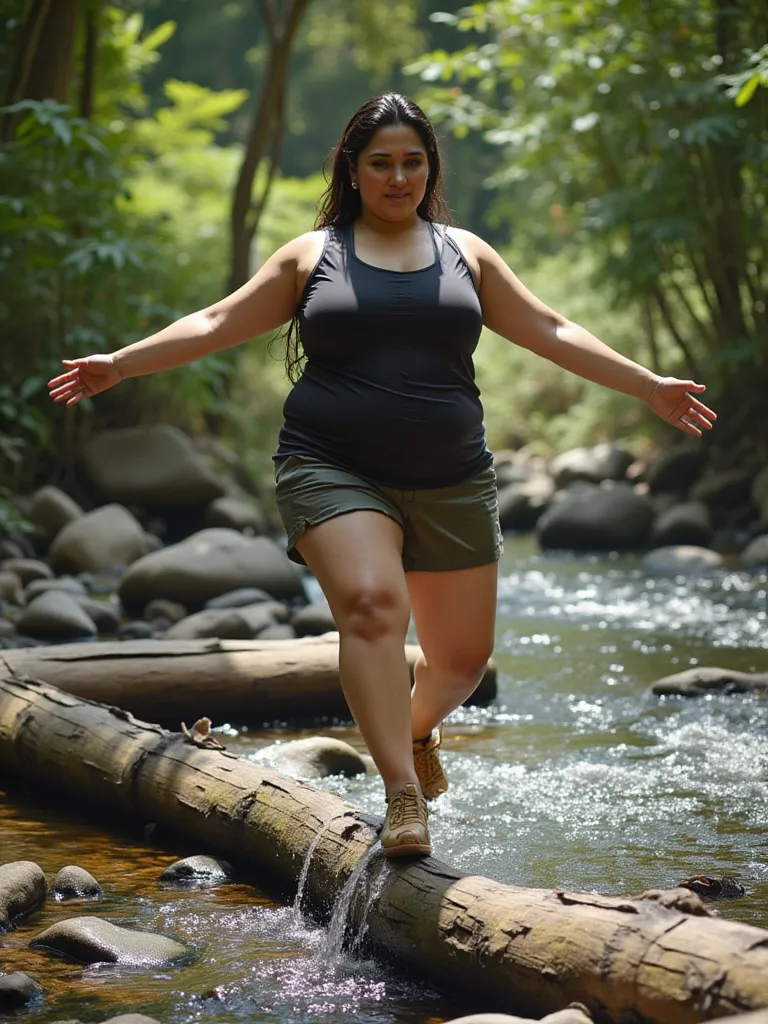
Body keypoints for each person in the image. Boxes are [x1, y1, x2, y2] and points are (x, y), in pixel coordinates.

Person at [47, 93, 717, 860]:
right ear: (353, 170)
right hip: (330, 464)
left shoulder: (466, 253)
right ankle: (401, 796)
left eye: (412, 162)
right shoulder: (311, 256)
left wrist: (648, 386)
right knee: (370, 606)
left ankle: (417, 727)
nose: (398, 177)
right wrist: (119, 365)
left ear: (429, 167)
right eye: (381, 163)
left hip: (453, 476)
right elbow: (214, 322)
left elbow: (555, 330)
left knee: (462, 661)